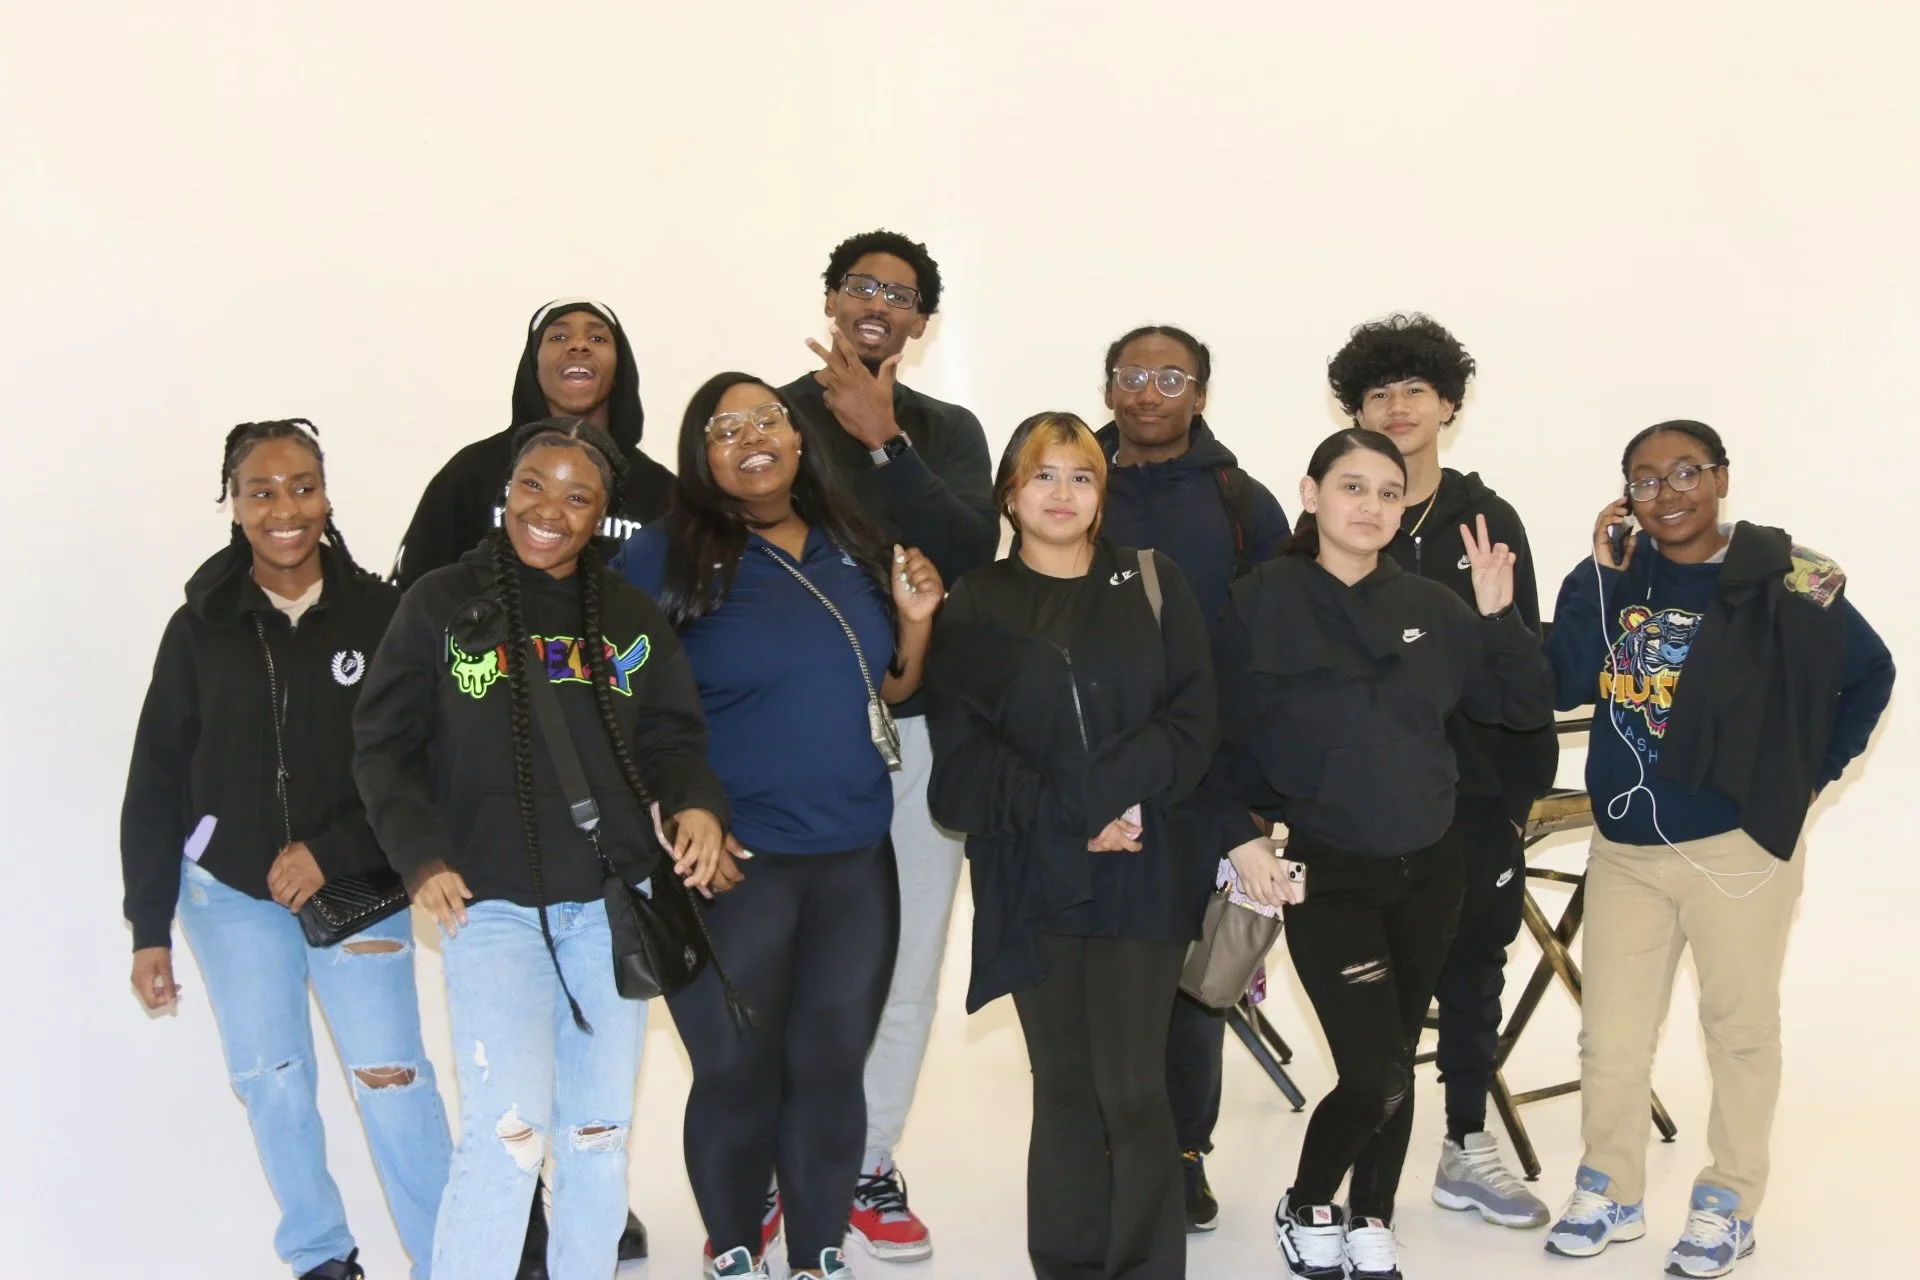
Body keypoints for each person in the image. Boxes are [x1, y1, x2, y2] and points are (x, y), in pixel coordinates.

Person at [354, 417, 734, 1280]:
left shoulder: (631, 617)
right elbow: (383, 746)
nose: (549, 510)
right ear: (506, 491)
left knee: (598, 1138)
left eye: (577, 496)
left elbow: (676, 739)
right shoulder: (440, 605)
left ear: (602, 514)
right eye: (533, 486)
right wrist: (421, 856)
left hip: (609, 911)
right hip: (489, 911)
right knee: (506, 1136)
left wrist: (698, 807)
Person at [1197, 427, 1554, 1280]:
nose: (1371, 507)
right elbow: (1201, 738)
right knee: (1375, 1071)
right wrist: (1238, 834)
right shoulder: (1255, 602)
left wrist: (1501, 617)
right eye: (1352, 487)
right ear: (1311, 494)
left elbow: (1519, 706)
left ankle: (1371, 1218)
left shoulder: (1435, 608)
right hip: (1329, 870)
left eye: (1389, 493)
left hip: (1431, 869)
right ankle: (1310, 1201)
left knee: (1392, 1057)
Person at [1539, 420, 1893, 1277]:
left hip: (1739, 848)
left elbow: (1871, 674)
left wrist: (1812, 777)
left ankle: (1729, 1199)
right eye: (1645, 480)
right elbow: (1561, 684)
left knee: (1737, 1031)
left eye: (1686, 472)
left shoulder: (1794, 575)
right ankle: (1610, 1186)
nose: (1668, 493)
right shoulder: (1614, 573)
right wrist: (1596, 575)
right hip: (1627, 846)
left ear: (1722, 477)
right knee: (1609, 1038)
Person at [618, 373, 943, 1280]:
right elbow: (617, 703)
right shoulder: (662, 557)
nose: (753, 436)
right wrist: (672, 810)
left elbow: (887, 692)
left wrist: (915, 627)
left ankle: (816, 1256)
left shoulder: (850, 540)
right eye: (727, 427)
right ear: (702, 455)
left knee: (832, 1068)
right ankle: (731, 1252)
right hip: (735, 862)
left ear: (800, 440)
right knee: (736, 1072)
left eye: (770, 418)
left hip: (853, 856)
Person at [121, 419, 450, 1280]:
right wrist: (148, 926)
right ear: (234, 506)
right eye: (261, 491)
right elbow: (155, 779)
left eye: (301, 486)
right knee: (271, 1078)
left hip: (358, 887)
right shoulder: (198, 627)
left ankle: (456, 1257)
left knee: (394, 1078)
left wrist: (334, 849)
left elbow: (422, 768)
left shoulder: (384, 616)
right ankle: (320, 1256)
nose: (284, 509)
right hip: (228, 894)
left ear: (327, 496)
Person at [926, 412, 1219, 1280]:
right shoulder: (975, 601)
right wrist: (1074, 814)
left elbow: (1195, 720)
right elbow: (965, 766)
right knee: (1061, 1087)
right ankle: (1066, 1266)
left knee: (1131, 1087)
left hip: (1146, 862)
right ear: (1010, 494)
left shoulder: (1155, 580)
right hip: (1035, 871)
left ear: (1103, 494)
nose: (1062, 494)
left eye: (1081, 476)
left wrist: (1113, 798)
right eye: (1043, 475)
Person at [779, 228, 998, 1260]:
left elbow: (964, 550)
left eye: (900, 294)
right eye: (861, 285)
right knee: (789, 963)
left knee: (905, 965)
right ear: (831, 299)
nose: (878, 304)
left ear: (921, 321)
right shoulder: (768, 412)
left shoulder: (946, 430)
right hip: (790, 742)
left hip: (923, 733)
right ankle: (788, 1160)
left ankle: (865, 1155)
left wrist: (879, 439)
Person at [1327, 313, 1560, 1229]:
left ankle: (1467, 1140)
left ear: (1448, 404)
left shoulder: (1484, 517)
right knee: (1373, 978)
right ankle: (1363, 1144)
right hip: (1365, 801)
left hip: (1474, 791)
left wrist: (1511, 797)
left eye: (1413, 390)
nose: (1397, 406)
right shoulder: (1339, 514)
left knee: (1473, 965)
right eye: (1378, 393)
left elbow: (1523, 669)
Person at [1094, 323, 1289, 1232]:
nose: (1148, 391)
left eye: (1171, 377)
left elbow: (1274, 653)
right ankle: (1097, 1146)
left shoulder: (1240, 501)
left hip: (1204, 780)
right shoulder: (1066, 478)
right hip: (1089, 773)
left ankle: (1182, 1153)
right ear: (1108, 387)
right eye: (1131, 374)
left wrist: (1250, 797)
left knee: (1192, 977)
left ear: (1201, 395)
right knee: (1095, 974)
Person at [391, 298, 675, 592]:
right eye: (558, 337)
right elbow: (415, 593)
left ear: (619, 371)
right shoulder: (472, 472)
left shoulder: (662, 492)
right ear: (533, 367)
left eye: (597, 337)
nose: (578, 346)